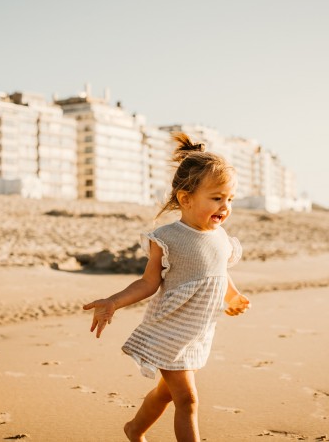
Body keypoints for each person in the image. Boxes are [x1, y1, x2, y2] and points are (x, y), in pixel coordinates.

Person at [83, 133, 251, 442]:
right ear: (186, 198)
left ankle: (134, 428)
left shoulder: (222, 238)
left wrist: (232, 295)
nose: (225, 206)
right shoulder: (169, 238)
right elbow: (149, 282)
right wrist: (114, 302)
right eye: (217, 198)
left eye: (230, 199)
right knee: (187, 399)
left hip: (197, 333)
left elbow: (218, 274)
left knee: (165, 394)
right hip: (170, 331)